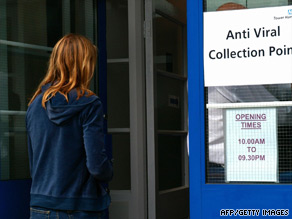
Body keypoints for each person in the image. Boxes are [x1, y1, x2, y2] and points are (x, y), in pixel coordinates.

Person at [26, 33, 113, 218]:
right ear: (84, 65)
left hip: (41, 206)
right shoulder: (89, 103)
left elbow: (35, 163)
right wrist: (109, 172)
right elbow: (97, 165)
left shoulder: (35, 104)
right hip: (81, 207)